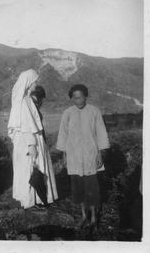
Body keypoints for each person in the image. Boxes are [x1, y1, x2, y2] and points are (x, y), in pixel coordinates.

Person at [56, 84, 109, 225]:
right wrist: (64, 154)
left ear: (85, 96)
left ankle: (94, 217)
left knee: (91, 187)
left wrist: (100, 154)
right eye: (74, 98)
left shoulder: (94, 111)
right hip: (74, 155)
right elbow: (63, 134)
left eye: (80, 97)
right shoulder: (68, 113)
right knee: (78, 187)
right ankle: (84, 215)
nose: (78, 100)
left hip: (90, 154)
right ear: (71, 98)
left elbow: (101, 134)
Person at [7, 69, 58, 209]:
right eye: (35, 81)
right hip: (29, 142)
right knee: (31, 169)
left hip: (32, 140)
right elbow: (25, 126)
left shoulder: (27, 100)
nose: (36, 83)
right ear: (29, 82)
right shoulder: (24, 102)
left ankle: (36, 199)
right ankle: (31, 200)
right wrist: (32, 145)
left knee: (32, 169)